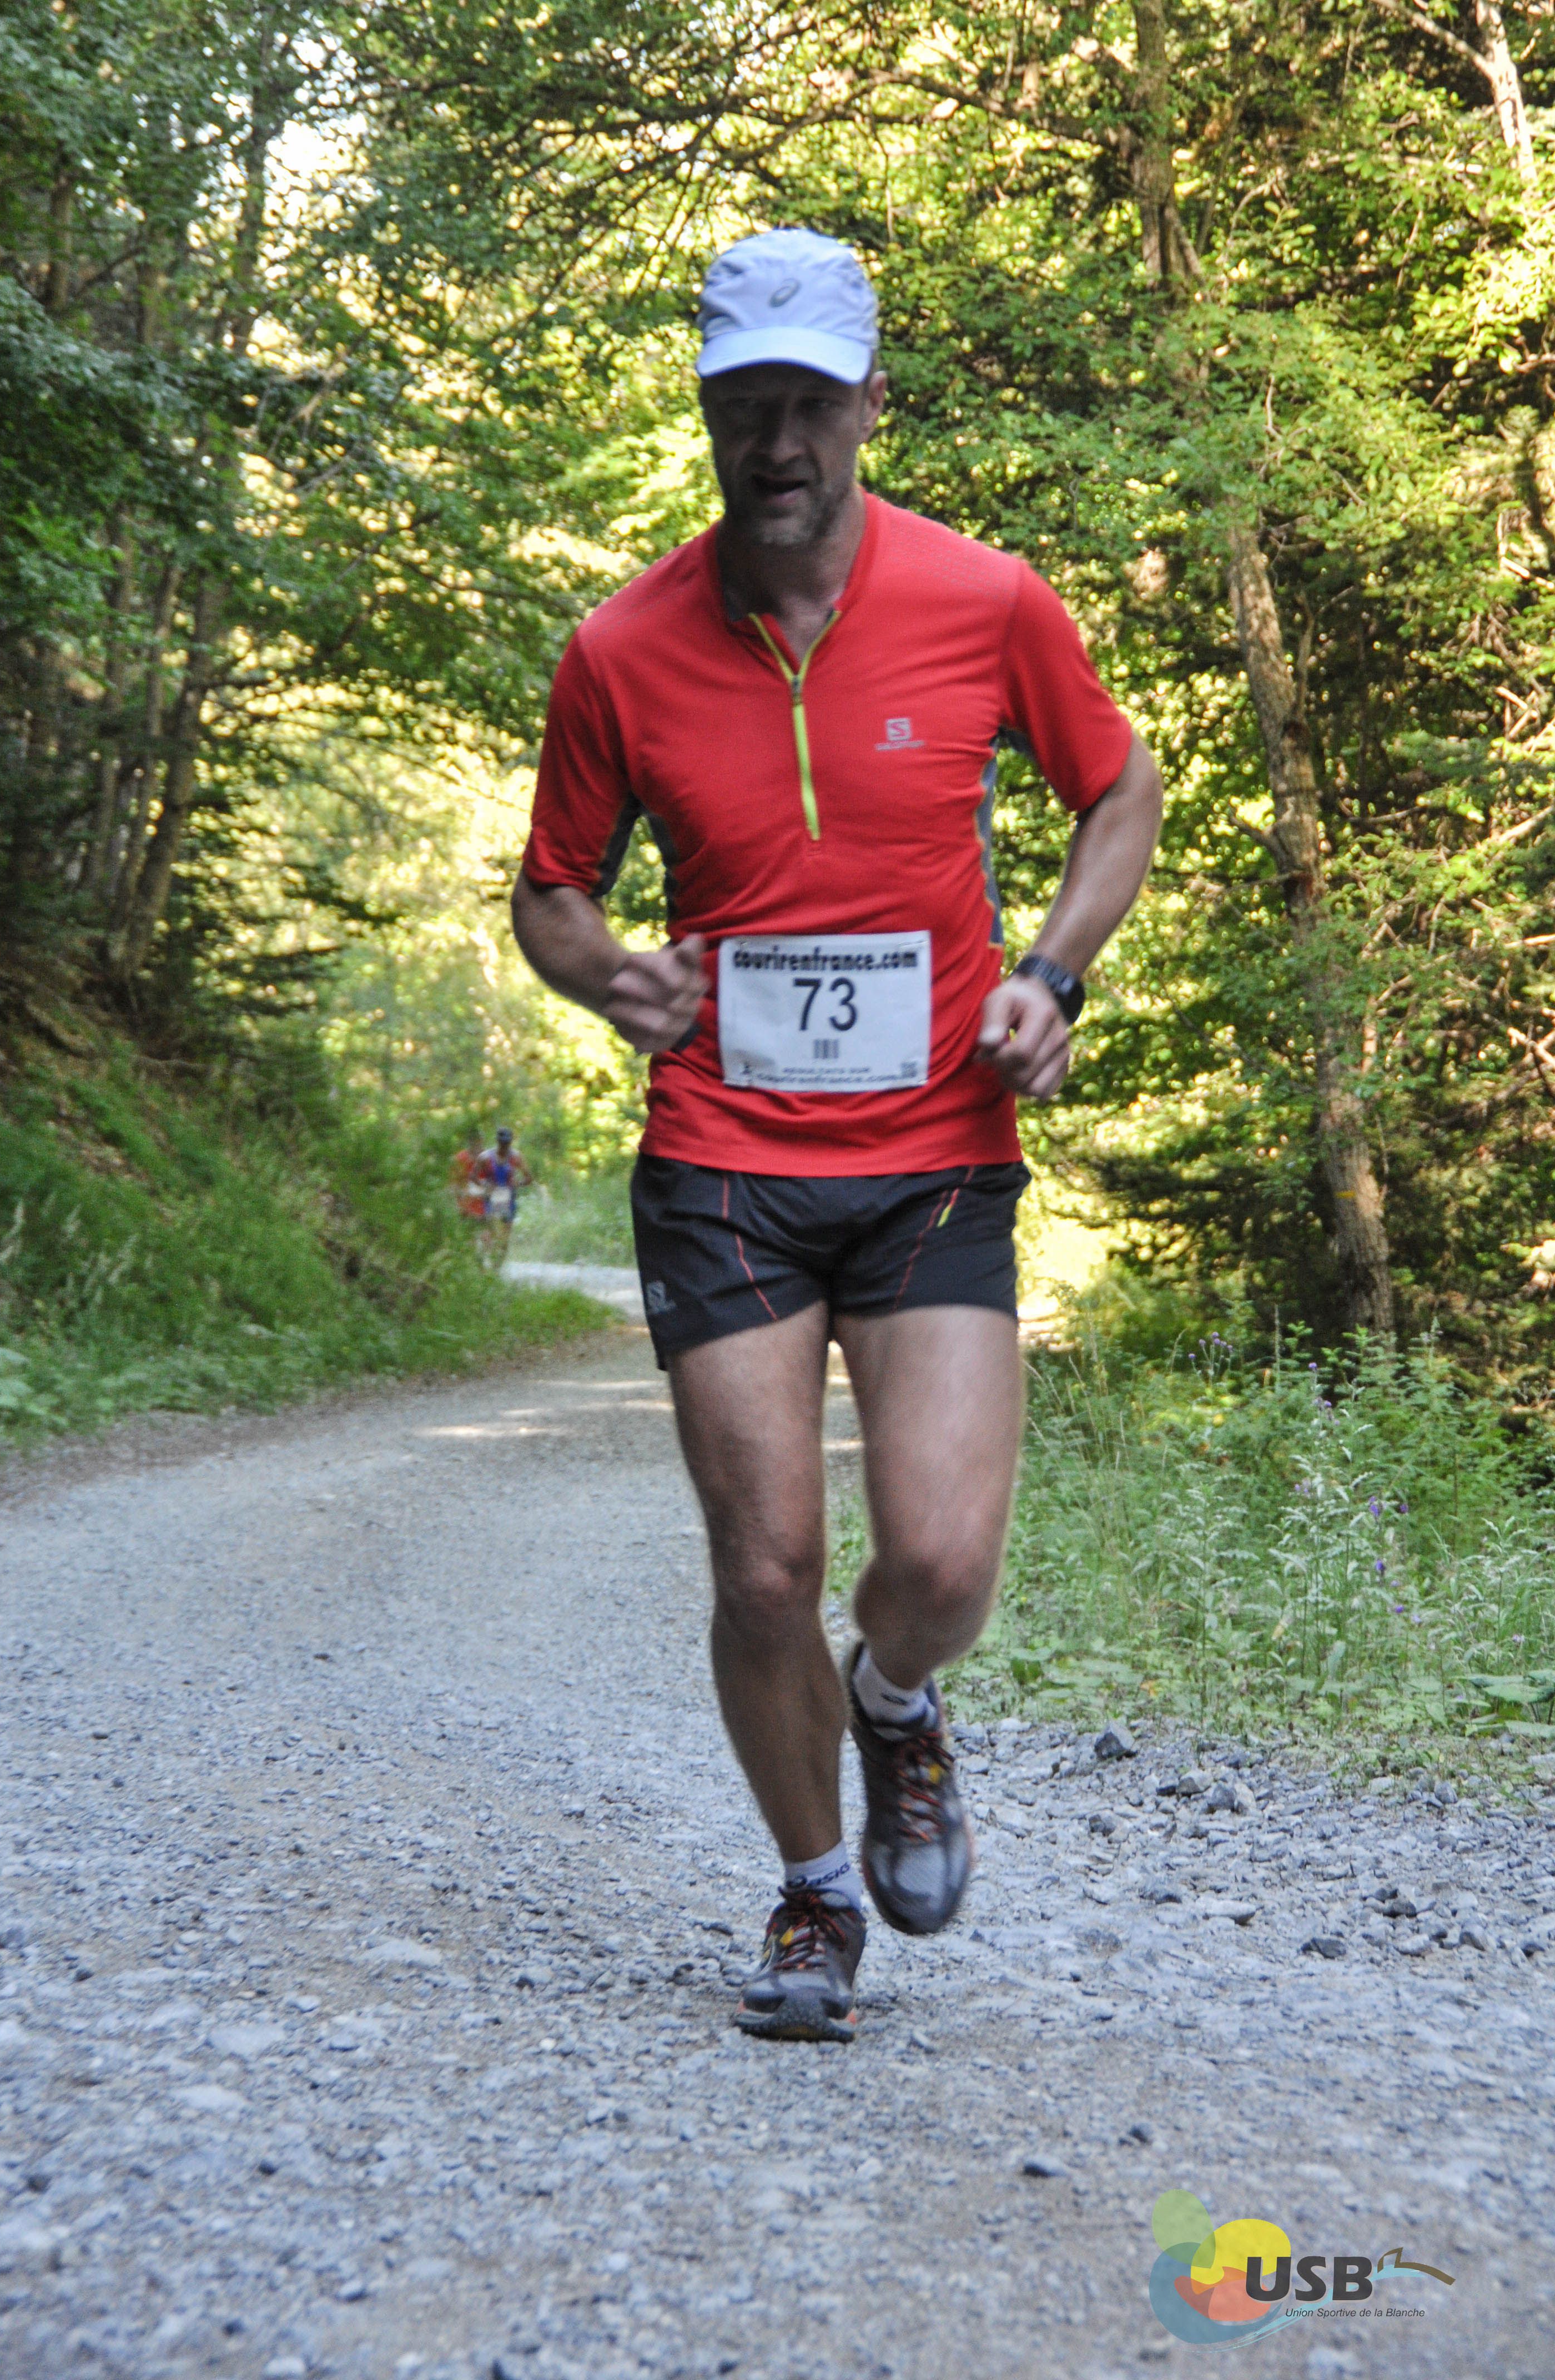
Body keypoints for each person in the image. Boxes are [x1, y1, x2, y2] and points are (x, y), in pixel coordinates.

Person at [513, 226, 1162, 2041]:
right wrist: (610, 973)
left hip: (938, 1146)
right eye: (748, 406)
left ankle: (893, 1701)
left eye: (811, 402)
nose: (779, 441)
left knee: (937, 1562)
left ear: (872, 400)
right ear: (710, 414)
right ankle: (811, 1893)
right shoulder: (621, 649)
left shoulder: (986, 600)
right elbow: (550, 892)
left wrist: (1051, 972)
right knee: (762, 1565)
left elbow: (1118, 786)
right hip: (722, 1156)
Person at [454, 1127, 532, 1266]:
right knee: (494, 1234)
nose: (504, 1147)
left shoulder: (516, 1157)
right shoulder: (485, 1158)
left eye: (507, 1144)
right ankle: (485, 1262)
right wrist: (485, 1186)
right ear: (497, 1142)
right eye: (502, 1143)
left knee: (504, 1239)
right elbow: (473, 1177)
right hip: (492, 1199)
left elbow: (529, 1178)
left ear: (511, 1143)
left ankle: (497, 1267)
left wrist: (518, 1183)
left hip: (509, 1199)